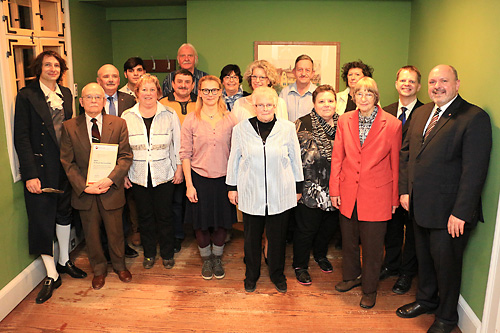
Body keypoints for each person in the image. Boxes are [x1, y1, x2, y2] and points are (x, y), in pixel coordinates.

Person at [396, 65, 492, 333]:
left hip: (450, 213)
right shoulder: (422, 113)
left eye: (444, 81)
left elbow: (474, 171)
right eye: (432, 81)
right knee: (424, 260)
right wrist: (405, 190)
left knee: (447, 267)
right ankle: (426, 300)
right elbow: (407, 154)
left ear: (457, 84)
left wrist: (461, 212)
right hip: (418, 206)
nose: (437, 86)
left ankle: (447, 317)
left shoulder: (474, 117)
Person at [14, 51, 87, 304]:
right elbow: (21, 137)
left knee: (64, 213)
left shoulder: (66, 94)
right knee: (42, 219)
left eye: (57, 65)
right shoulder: (26, 95)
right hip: (41, 169)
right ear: (39, 68)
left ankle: (64, 260)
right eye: (48, 65)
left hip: (64, 166)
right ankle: (51, 273)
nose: (53, 68)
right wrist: (30, 174)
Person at [330, 77, 402, 309]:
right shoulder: (344, 120)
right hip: (348, 190)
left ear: (376, 96)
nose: (363, 98)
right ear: (353, 97)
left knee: (372, 247)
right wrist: (335, 189)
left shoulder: (392, 124)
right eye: (358, 93)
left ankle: (370, 288)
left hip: (377, 194)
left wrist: (393, 198)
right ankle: (351, 277)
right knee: (349, 241)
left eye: (368, 94)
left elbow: (395, 163)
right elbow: (338, 157)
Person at [226, 86, 304, 294]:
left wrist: (298, 186)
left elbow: (295, 158)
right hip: (251, 191)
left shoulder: (287, 128)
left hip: (281, 191)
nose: (265, 108)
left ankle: (277, 274)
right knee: (251, 238)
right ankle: (251, 275)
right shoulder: (241, 129)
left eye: (269, 104)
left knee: (277, 238)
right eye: (261, 105)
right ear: (254, 106)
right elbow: (234, 159)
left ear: (275, 106)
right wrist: (232, 187)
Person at [60, 83, 133, 290]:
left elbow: (126, 156)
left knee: (116, 232)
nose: (93, 101)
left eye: (98, 97)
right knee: (91, 235)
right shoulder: (69, 127)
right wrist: (84, 187)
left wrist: (111, 179)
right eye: (89, 97)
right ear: (81, 102)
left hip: (111, 189)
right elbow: (67, 162)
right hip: (86, 193)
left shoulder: (118, 124)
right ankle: (99, 270)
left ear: (104, 101)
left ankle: (120, 266)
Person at [180, 75, 238, 280]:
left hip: (224, 179)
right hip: (199, 179)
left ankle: (217, 258)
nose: (210, 94)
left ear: (220, 91)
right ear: (200, 92)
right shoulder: (191, 119)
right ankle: (206, 260)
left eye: (214, 90)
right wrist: (189, 184)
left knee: (222, 223)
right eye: (206, 90)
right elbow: (185, 154)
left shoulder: (230, 118)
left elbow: (237, 152)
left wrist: (235, 184)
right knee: (201, 223)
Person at [122, 74, 182, 269]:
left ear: (158, 92)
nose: (148, 93)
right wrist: (123, 174)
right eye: (144, 89)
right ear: (137, 92)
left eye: (152, 89)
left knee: (165, 215)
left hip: (164, 173)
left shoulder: (170, 114)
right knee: (144, 216)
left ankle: (166, 253)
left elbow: (178, 145)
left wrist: (179, 169)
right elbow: (122, 148)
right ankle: (149, 254)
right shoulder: (127, 116)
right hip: (137, 174)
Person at [380, 65, 423, 294]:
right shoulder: (384, 112)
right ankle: (391, 265)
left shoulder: (427, 113)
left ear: (418, 85)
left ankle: (407, 273)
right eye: (403, 80)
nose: (407, 84)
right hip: (388, 180)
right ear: (396, 84)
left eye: (412, 81)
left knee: (413, 231)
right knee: (392, 228)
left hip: (414, 183)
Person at [292, 85, 339, 285]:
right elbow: (292, 158)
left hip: (336, 187)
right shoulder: (301, 124)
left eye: (330, 101)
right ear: (314, 104)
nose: (326, 105)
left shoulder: (344, 124)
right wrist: (296, 187)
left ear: (336, 103)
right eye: (321, 101)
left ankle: (320, 255)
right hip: (309, 188)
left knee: (328, 227)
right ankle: (300, 265)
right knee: (306, 229)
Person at [95, 64, 139, 255]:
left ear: (119, 80)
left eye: (114, 76)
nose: (111, 80)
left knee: (125, 205)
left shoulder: (129, 100)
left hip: (124, 157)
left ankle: (122, 245)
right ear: (99, 81)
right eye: (106, 76)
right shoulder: (93, 99)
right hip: (100, 161)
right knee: (104, 205)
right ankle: (105, 247)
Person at [159, 69, 197, 252]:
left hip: (196, 161)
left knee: (196, 199)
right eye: (179, 81)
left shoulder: (201, 102)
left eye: (187, 82)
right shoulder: (162, 104)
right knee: (175, 202)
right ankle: (177, 235)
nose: (183, 85)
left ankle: (200, 233)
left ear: (193, 84)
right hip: (171, 161)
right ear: (172, 84)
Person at [279, 54, 317, 122]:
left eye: (307, 70)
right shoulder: (284, 93)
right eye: (300, 70)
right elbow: (279, 119)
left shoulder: (318, 94)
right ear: (294, 71)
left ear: (312, 73)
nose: (303, 73)